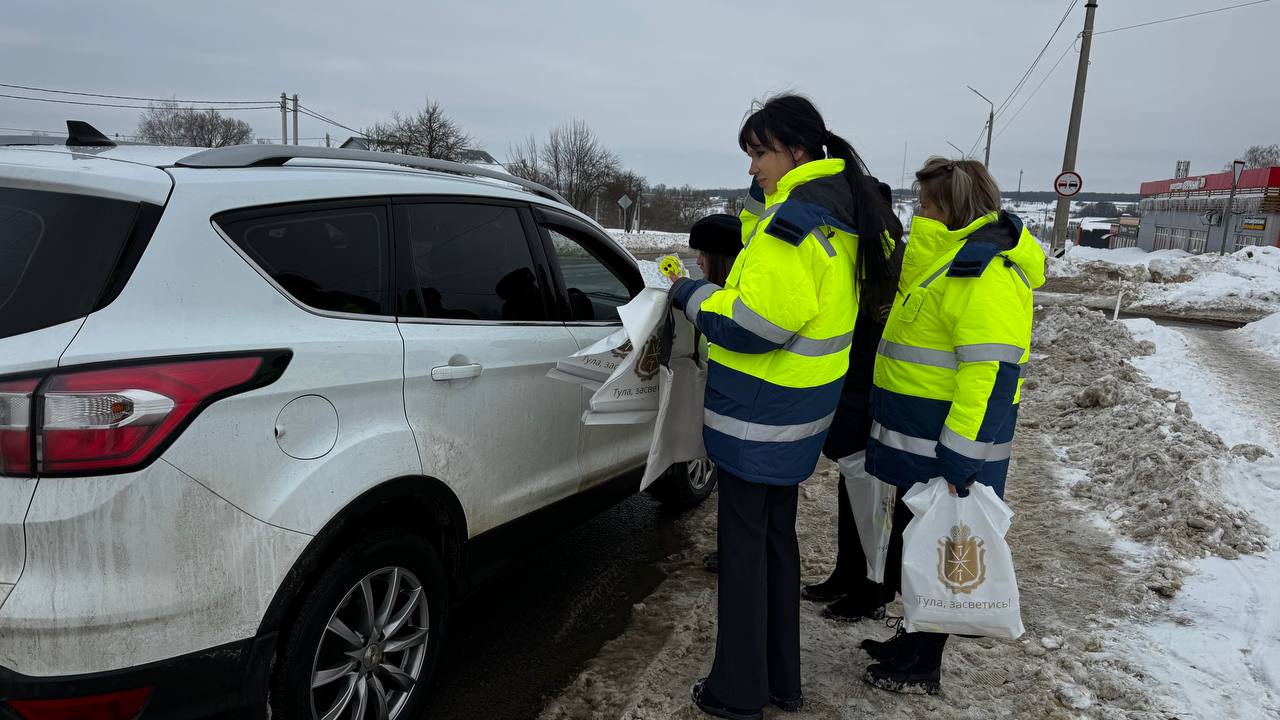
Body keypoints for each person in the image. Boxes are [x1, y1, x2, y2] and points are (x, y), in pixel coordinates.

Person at [668, 94, 900, 720]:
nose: (753, 168)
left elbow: (751, 325)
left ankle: (738, 690)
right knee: (775, 548)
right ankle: (780, 681)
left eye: (760, 152)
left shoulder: (791, 226)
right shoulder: (837, 217)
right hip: (795, 421)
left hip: (756, 420)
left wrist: (692, 296)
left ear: (797, 150)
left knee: (745, 561)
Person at [859, 157, 1045, 694]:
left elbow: (985, 373)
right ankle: (911, 634)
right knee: (918, 538)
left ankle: (923, 663)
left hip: (945, 444)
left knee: (941, 546)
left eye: (925, 204)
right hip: (920, 435)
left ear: (951, 207)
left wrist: (960, 455)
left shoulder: (984, 272)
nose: (918, 213)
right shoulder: (952, 261)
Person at [801, 180, 904, 622]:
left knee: (876, 499)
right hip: (854, 388)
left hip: (873, 393)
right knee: (853, 487)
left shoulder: (885, 259)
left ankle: (874, 588)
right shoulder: (862, 252)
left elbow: (875, 336)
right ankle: (848, 573)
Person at [684, 212, 745, 576]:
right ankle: (734, 552)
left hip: (738, 417)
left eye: (703, 253)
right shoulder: (727, 295)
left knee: (740, 497)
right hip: (733, 413)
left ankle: (735, 557)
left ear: (721, 258)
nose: (698, 261)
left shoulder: (728, 303)